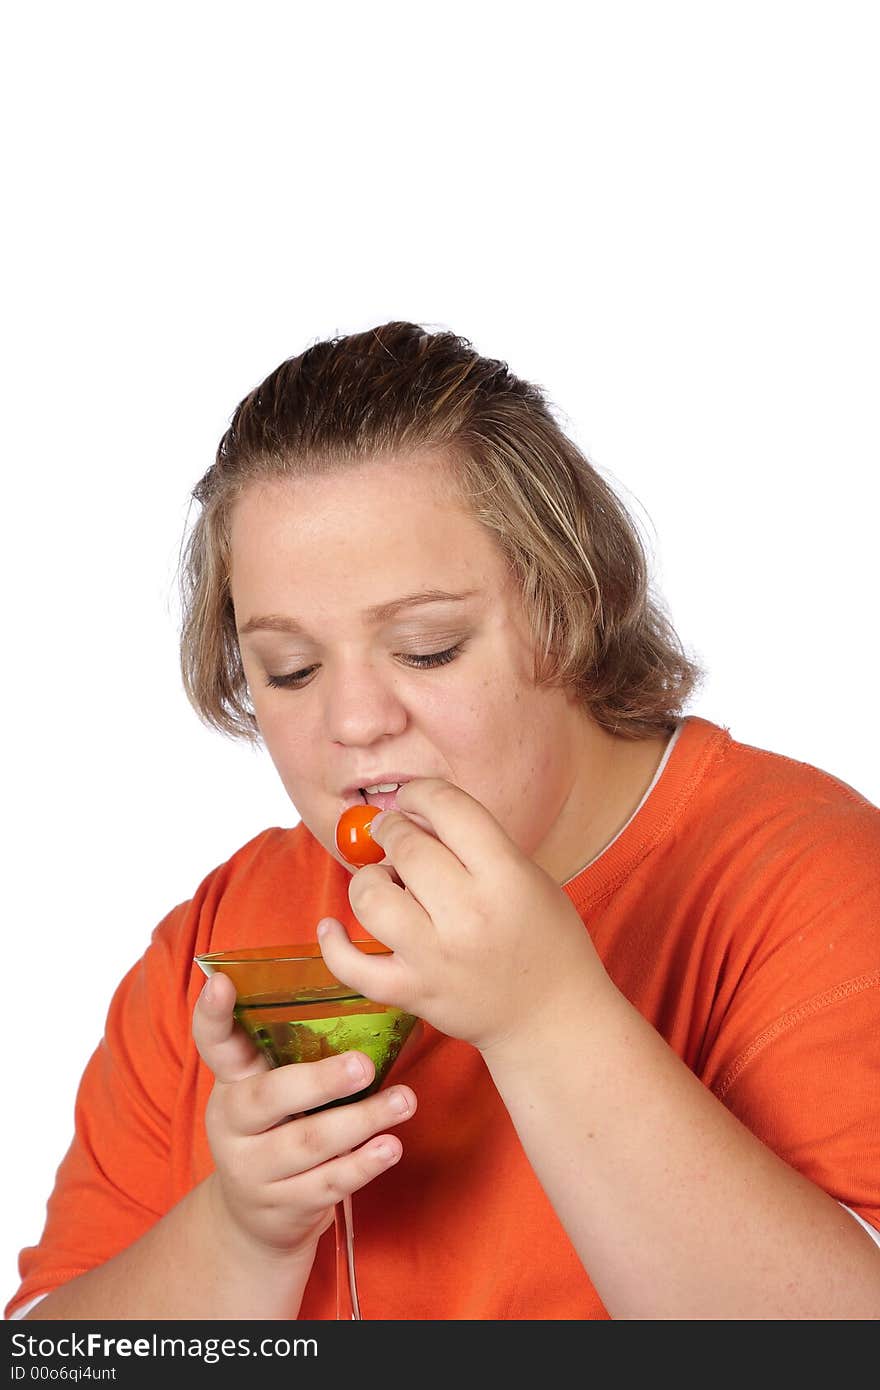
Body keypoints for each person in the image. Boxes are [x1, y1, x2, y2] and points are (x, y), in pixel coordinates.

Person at [7, 321, 880, 1322]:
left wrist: (544, 1017)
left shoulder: (813, 882)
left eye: (426, 649)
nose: (354, 723)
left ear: (569, 609)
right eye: (289, 668)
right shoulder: (220, 940)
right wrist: (242, 1228)